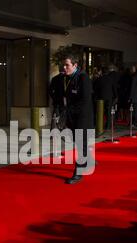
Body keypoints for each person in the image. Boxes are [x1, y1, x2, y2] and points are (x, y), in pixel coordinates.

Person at [62, 53, 94, 184]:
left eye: (67, 65)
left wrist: (70, 110)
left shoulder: (83, 78)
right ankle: (89, 161)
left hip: (82, 118)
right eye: (64, 65)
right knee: (79, 143)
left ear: (75, 65)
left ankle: (79, 172)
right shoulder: (69, 77)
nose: (64, 67)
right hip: (73, 117)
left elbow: (85, 100)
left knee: (81, 145)